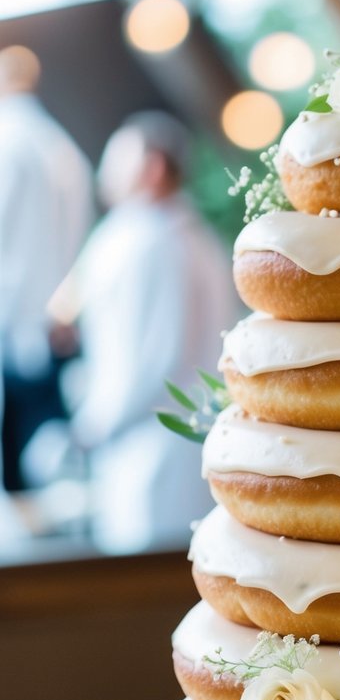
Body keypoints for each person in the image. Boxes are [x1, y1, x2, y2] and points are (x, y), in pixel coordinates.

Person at [69, 111, 239, 553]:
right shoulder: (186, 236)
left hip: (153, 444)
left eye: (118, 157)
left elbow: (152, 357)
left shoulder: (151, 242)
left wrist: (93, 425)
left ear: (154, 167)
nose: (106, 172)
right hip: (164, 438)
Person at [0, 45, 94, 494]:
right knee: (49, 462)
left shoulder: (8, 139)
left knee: (16, 465)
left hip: (11, 321)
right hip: (54, 323)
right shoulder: (61, 145)